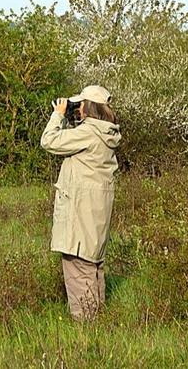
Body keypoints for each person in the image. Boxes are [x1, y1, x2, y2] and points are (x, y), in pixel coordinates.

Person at [39, 85, 121, 321]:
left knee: (78, 266)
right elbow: (67, 143)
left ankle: (86, 327)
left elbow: (49, 141)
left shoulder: (88, 133)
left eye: (80, 104)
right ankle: (99, 321)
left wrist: (58, 115)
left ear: (89, 106)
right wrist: (69, 118)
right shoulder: (106, 132)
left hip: (80, 212)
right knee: (93, 266)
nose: (78, 109)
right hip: (95, 212)